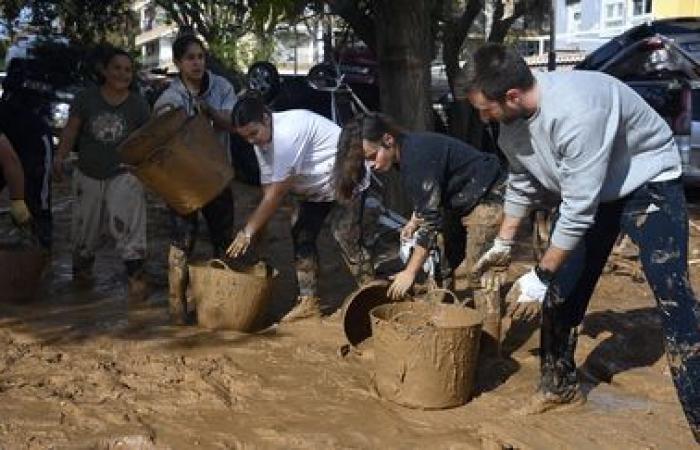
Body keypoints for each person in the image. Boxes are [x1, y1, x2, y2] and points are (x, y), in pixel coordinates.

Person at [458, 43, 700, 442]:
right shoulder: (510, 121)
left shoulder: (577, 112)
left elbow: (577, 210)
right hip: (591, 191)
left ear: (512, 96)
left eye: (485, 108)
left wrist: (540, 272)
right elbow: (522, 179)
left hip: (646, 182)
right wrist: (503, 242)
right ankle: (560, 387)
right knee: (562, 290)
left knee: (675, 301)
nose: (482, 116)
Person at [227, 95, 373, 322]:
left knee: (344, 235)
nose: (251, 141)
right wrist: (258, 235)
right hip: (315, 189)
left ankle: (373, 296)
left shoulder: (288, 133)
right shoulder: (261, 143)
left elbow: (277, 193)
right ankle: (308, 302)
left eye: (253, 133)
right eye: (245, 137)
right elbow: (267, 189)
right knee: (301, 233)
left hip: (347, 177)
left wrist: (248, 231)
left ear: (266, 118)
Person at [334, 112, 504, 300]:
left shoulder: (416, 157)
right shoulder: (404, 153)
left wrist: (409, 272)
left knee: (479, 273)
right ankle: (441, 315)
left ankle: (489, 328)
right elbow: (431, 193)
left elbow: (431, 224)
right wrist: (415, 220)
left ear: (388, 140)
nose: (371, 165)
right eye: (366, 160)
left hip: (488, 195)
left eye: (373, 156)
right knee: (440, 262)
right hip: (460, 199)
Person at [53, 48, 151, 303]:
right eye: (117, 68)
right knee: (84, 234)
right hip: (87, 173)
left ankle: (136, 283)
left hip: (124, 174)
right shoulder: (86, 99)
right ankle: (81, 287)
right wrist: (59, 157)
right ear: (104, 70)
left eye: (128, 70)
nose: (123, 74)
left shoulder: (139, 104)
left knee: (131, 230)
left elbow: (148, 141)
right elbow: (71, 131)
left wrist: (147, 173)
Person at [153, 34, 237, 324]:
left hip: (217, 177)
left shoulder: (222, 87)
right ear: (178, 63)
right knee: (181, 243)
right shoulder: (169, 98)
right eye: (190, 58)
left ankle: (221, 304)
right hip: (182, 183)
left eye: (200, 57)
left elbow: (235, 124)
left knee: (223, 240)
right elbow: (159, 140)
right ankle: (177, 308)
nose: (197, 63)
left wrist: (210, 112)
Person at [0, 60, 54, 249]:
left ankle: (40, 246)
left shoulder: (33, 124)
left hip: (33, 141)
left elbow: (11, 162)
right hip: (23, 137)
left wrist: (17, 201)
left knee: (37, 206)